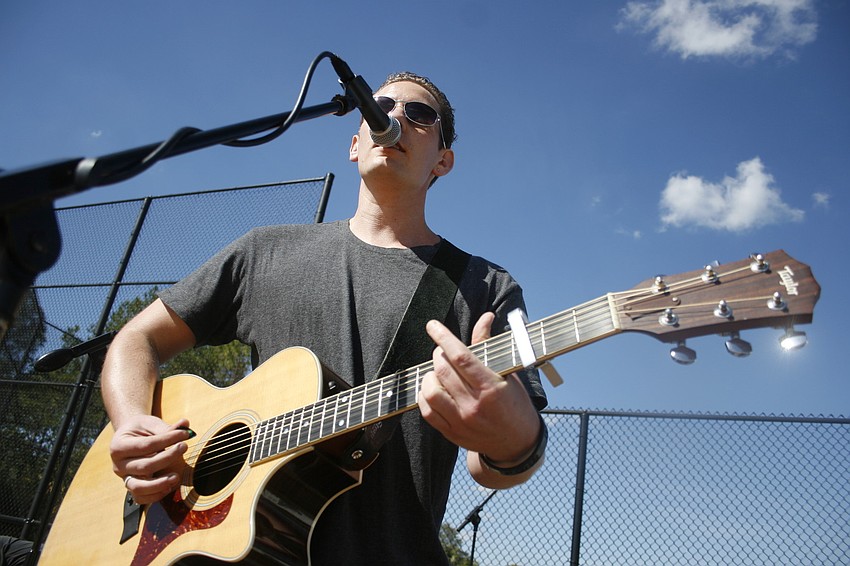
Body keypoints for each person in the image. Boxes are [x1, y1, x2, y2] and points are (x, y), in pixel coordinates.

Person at [101, 71, 548, 565]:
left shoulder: (484, 286)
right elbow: (137, 338)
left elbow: (492, 468)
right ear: (355, 143)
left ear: (443, 160)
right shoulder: (263, 252)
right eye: (380, 105)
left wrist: (513, 441)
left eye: (419, 115)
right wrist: (132, 424)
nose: (395, 116)